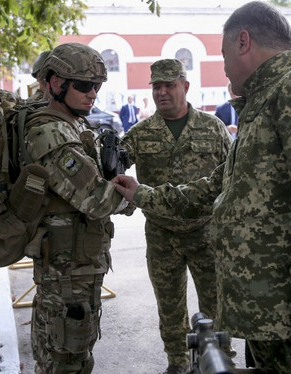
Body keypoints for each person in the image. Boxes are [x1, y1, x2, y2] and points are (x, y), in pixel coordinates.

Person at [114, 2, 291, 373]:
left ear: (243, 42)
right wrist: (141, 193)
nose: (223, 67)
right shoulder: (264, 105)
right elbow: (217, 188)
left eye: (223, 54)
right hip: (277, 324)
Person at [120, 58, 232, 374]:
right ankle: (178, 362)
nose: (162, 92)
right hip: (161, 234)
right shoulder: (140, 133)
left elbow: (230, 178)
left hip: (205, 232)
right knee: (169, 306)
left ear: (185, 86)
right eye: (157, 86)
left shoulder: (213, 129)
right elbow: (114, 171)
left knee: (215, 305)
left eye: (169, 85)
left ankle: (220, 361)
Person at [23, 42, 129, 374]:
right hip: (67, 276)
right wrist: (134, 197)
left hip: (75, 268)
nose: (93, 93)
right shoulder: (50, 133)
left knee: (66, 356)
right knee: (68, 361)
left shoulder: (71, 124)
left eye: (96, 86)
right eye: (84, 85)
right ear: (55, 83)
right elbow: (97, 200)